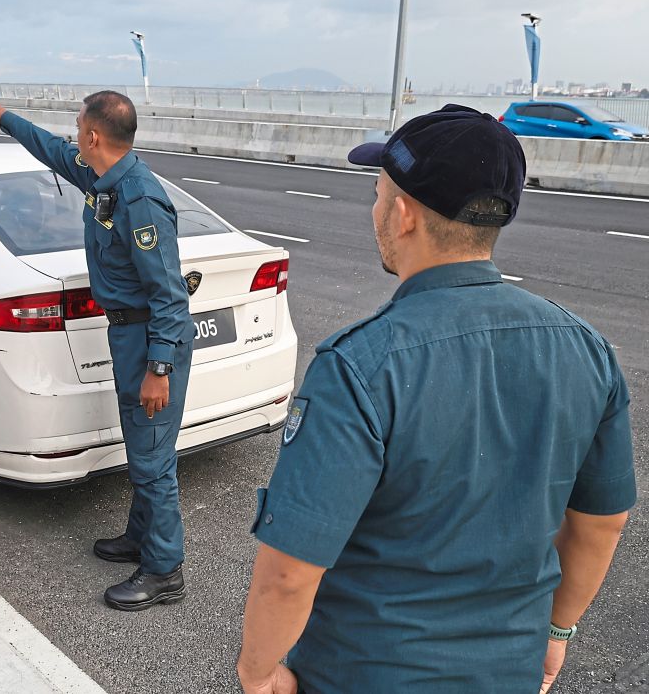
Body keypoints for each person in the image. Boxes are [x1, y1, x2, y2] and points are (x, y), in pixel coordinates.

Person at [236, 105, 636, 694]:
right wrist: (558, 633)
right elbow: (602, 522)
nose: (374, 209)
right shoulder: (587, 350)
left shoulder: (359, 367)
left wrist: (258, 672)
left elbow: (290, 573)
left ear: (402, 215)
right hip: (509, 673)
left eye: (377, 194)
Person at [0, 89, 194, 611]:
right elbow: (47, 148)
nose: (72, 136)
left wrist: (158, 368)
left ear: (93, 136)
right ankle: (141, 537)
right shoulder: (102, 176)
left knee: (153, 457)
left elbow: (170, 296)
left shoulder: (139, 200)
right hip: (128, 333)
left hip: (150, 339)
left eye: (77, 127)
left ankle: (164, 570)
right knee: (143, 447)